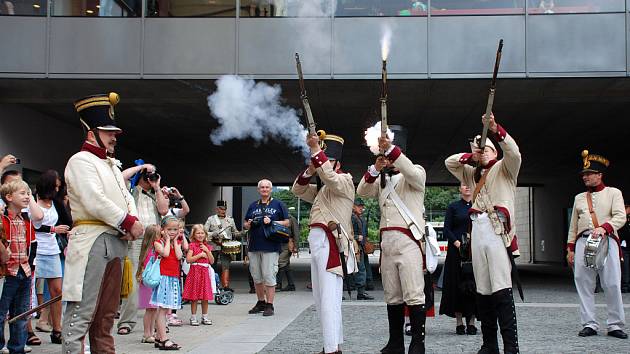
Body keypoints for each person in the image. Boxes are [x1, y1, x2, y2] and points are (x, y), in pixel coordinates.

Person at [61, 92, 143, 354]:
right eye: (107, 131)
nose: (114, 136)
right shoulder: (80, 161)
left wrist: (133, 222)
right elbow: (94, 200)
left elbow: (126, 199)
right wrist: (128, 222)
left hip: (115, 240)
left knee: (107, 315)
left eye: (113, 132)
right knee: (82, 312)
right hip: (92, 241)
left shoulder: (112, 166)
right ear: (90, 132)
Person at [445, 113, 521, 354]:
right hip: (477, 230)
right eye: (480, 149)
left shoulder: (504, 168)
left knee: (501, 287)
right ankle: (489, 344)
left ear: (495, 151)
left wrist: (495, 129)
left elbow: (514, 152)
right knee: (483, 289)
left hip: (497, 229)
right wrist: (471, 157)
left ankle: (511, 347)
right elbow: (450, 162)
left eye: (486, 148)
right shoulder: (471, 172)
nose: (483, 151)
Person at [357, 128, 427, 354]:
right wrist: (375, 169)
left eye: (391, 155)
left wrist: (391, 150)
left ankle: (417, 344)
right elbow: (362, 191)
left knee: (414, 293)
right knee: (393, 295)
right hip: (387, 243)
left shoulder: (416, 172)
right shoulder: (383, 181)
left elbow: (412, 174)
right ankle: (395, 342)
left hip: (408, 240)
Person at [292, 132, 357, 354]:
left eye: (329, 160)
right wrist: (310, 170)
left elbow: (330, 177)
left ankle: (331, 349)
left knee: (328, 299)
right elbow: (297, 190)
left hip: (332, 243)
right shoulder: (321, 189)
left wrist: (315, 151)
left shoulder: (345, 181)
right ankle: (333, 345)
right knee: (321, 299)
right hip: (319, 242)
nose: (323, 164)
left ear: (337, 163)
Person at [566, 151, 627, 339]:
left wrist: (605, 227)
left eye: (589, 174)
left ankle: (615, 324)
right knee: (584, 284)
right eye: (584, 174)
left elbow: (620, 216)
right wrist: (570, 248)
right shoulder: (579, 198)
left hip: (607, 241)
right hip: (583, 241)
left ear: (599, 175)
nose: (585, 177)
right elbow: (573, 225)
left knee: (612, 283)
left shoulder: (613, 193)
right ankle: (589, 323)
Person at [118, 165, 168, 335]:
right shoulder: (130, 190)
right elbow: (122, 176)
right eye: (147, 175)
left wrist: (157, 187)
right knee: (132, 282)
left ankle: (156, 324)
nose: (150, 178)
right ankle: (126, 322)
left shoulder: (157, 193)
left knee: (154, 280)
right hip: (134, 240)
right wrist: (142, 167)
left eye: (153, 175)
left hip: (153, 241)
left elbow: (163, 210)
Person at [0, 179, 41, 354]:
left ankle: (17, 348)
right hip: (7, 274)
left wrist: (30, 269)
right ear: (8, 197)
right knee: (1, 314)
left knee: (22, 313)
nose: (27, 197)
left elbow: (31, 244)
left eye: (28, 193)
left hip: (24, 271)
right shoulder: (2, 219)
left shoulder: (26, 220)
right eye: (22, 193)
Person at [32, 170, 70, 344]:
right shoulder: (31, 201)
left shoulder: (56, 203)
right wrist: (52, 229)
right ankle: (28, 331)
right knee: (28, 290)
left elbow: (67, 222)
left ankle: (57, 329)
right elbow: (30, 225)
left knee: (57, 291)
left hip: (52, 249)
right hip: (34, 248)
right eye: (55, 186)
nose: (57, 189)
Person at [244, 179, 290, 317]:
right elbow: (245, 223)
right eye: (262, 187)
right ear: (258, 190)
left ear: (271, 189)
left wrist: (272, 221)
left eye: (267, 187)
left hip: (271, 246)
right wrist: (249, 224)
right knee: (256, 276)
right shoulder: (253, 205)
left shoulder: (278, 204)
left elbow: (287, 222)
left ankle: (270, 305)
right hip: (254, 245)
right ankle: (260, 302)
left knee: (269, 276)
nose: (264, 189)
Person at [439, 184, 477, 335]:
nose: (467, 187)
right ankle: (459, 322)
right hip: (456, 253)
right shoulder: (453, 207)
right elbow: (446, 228)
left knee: (474, 287)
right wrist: (457, 243)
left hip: (474, 252)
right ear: (460, 189)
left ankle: (472, 321)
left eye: (469, 185)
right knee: (456, 286)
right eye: (464, 185)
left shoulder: (478, 206)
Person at [151, 215, 183, 350]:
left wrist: (175, 242)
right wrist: (168, 240)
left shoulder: (177, 242)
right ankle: (163, 338)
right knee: (162, 310)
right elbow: (164, 253)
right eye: (169, 229)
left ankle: (159, 337)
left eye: (175, 229)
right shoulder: (158, 242)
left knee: (164, 309)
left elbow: (179, 256)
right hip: (163, 278)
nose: (172, 232)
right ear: (163, 229)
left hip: (173, 277)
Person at [204, 200, 243, 292]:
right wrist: (213, 234)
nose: (223, 211)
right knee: (211, 266)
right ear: (217, 209)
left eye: (224, 209)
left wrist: (241, 233)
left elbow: (235, 232)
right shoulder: (211, 219)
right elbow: (204, 232)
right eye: (221, 209)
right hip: (213, 246)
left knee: (225, 266)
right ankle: (210, 286)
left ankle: (225, 286)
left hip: (226, 247)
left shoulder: (230, 219)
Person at [182, 224, 214, 326]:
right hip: (195, 272)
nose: (200, 235)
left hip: (204, 273)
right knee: (194, 297)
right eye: (198, 233)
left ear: (205, 234)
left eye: (202, 233)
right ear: (194, 234)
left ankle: (205, 316)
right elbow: (188, 259)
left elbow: (212, 261)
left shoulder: (207, 246)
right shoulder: (192, 246)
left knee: (205, 297)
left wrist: (207, 251)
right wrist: (200, 255)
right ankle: (193, 317)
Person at [135, 224, 160, 344]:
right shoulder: (151, 252)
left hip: (152, 283)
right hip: (149, 283)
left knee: (153, 310)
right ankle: (146, 333)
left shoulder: (151, 250)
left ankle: (151, 332)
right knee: (150, 310)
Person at [350, 198, 373, 300]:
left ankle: (361, 292)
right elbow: (347, 231)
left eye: (362, 206)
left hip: (360, 248)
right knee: (356, 269)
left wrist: (366, 241)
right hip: (354, 247)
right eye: (359, 206)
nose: (361, 208)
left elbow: (365, 234)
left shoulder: (361, 218)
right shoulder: (351, 218)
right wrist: (356, 237)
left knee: (362, 269)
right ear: (353, 206)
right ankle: (359, 292)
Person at [276, 214, 299, 292]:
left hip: (287, 244)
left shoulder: (291, 218)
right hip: (278, 244)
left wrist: (295, 246)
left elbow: (296, 233)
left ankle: (278, 284)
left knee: (281, 263)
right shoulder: (277, 217)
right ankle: (291, 285)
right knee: (286, 265)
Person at [620, 204, 630, 293]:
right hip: (625, 246)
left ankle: (627, 285)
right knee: (625, 267)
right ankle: (625, 286)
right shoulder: (622, 219)